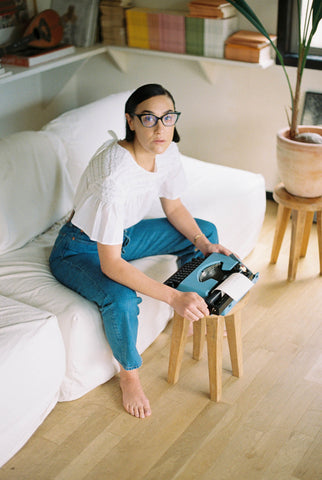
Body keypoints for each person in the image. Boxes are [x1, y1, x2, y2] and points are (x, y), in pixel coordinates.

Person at [49, 84, 232, 419]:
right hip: (79, 249)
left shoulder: (166, 151)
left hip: (125, 236)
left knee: (203, 232)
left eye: (167, 118)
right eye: (149, 118)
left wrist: (204, 245)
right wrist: (171, 298)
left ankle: (192, 303)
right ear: (130, 122)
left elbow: (174, 208)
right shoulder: (113, 177)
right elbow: (113, 265)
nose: (160, 128)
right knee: (120, 299)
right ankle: (129, 374)